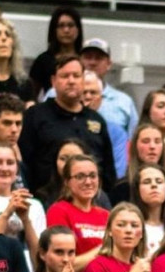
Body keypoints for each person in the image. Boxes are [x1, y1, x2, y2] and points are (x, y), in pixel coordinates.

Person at [20, 55, 117, 192]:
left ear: (83, 80)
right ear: (53, 81)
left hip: (90, 203)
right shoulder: (35, 116)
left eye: (76, 76)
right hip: (46, 201)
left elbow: (108, 171)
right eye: (65, 76)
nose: (71, 81)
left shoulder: (96, 120)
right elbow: (24, 165)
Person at [29, 7, 82, 97]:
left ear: (78, 29)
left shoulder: (85, 59)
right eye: (61, 26)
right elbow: (32, 94)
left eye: (70, 25)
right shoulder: (43, 61)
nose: (66, 30)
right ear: (54, 30)